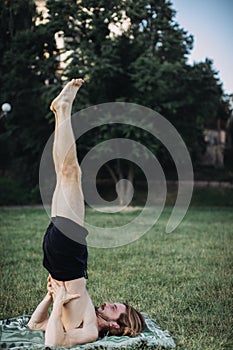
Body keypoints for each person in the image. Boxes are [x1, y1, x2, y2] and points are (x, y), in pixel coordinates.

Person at [27, 79, 145, 347]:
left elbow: (53, 343)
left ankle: (64, 107)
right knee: (64, 174)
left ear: (115, 325)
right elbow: (35, 326)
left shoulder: (91, 330)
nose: (107, 302)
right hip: (62, 258)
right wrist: (49, 298)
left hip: (67, 259)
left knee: (71, 174)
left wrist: (56, 302)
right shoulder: (87, 315)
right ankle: (61, 112)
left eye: (114, 308)